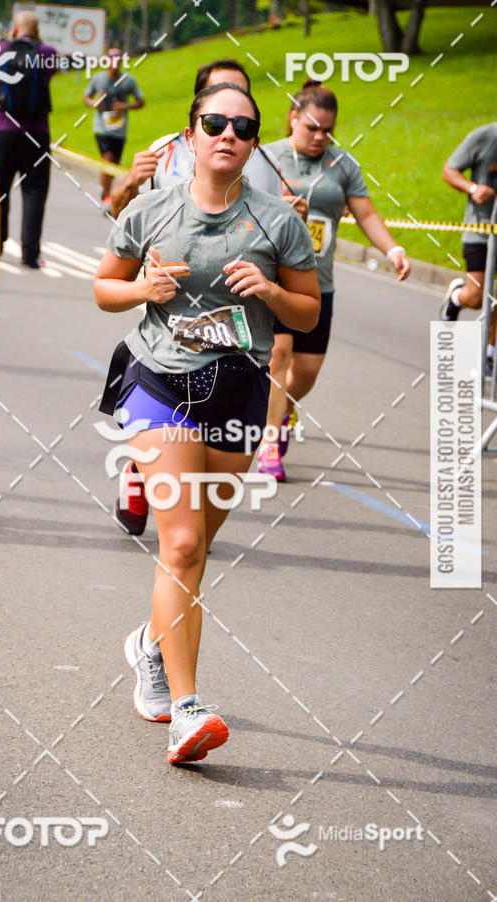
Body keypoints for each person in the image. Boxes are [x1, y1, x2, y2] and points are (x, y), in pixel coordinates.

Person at [94, 82, 319, 764]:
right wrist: (143, 290)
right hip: (157, 382)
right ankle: (187, 710)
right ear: (190, 134)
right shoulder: (152, 211)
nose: (227, 133)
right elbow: (105, 287)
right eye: (213, 122)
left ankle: (150, 644)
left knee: (192, 552)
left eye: (242, 127)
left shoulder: (279, 222)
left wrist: (273, 292)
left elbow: (307, 314)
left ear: (253, 144)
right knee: (184, 545)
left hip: (238, 390)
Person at [258, 81, 410, 481]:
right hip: (273, 281)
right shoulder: (266, 159)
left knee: (306, 371)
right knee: (278, 357)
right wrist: (280, 209)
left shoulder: (342, 164)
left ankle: (282, 410)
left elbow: (367, 214)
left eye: (328, 130)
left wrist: (392, 250)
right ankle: (268, 444)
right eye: (312, 128)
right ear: (293, 119)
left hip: (317, 284)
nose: (321, 137)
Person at [111, 58, 283, 219]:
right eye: (220, 91)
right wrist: (130, 183)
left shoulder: (267, 161)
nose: (228, 135)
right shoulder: (164, 151)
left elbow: (277, 232)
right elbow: (121, 219)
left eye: (241, 92)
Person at [0, 12, 57, 268]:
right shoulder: (48, 52)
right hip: (37, 132)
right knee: (35, 192)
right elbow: (48, 78)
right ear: (37, 30)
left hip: (5, 130)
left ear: (14, 29)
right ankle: (30, 253)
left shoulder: (0, 49)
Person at [440, 123, 497, 372]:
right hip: (481, 231)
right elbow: (449, 170)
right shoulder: (484, 136)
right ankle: (455, 297)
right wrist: (473, 188)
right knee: (476, 298)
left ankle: (489, 352)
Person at [84, 49, 144, 209]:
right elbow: (86, 97)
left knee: (114, 164)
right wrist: (94, 103)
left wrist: (126, 106)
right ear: (107, 60)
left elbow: (141, 101)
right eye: (112, 57)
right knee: (107, 158)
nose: (115, 60)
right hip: (101, 127)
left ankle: (105, 192)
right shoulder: (98, 78)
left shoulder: (128, 80)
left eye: (118, 57)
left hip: (119, 127)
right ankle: (107, 199)